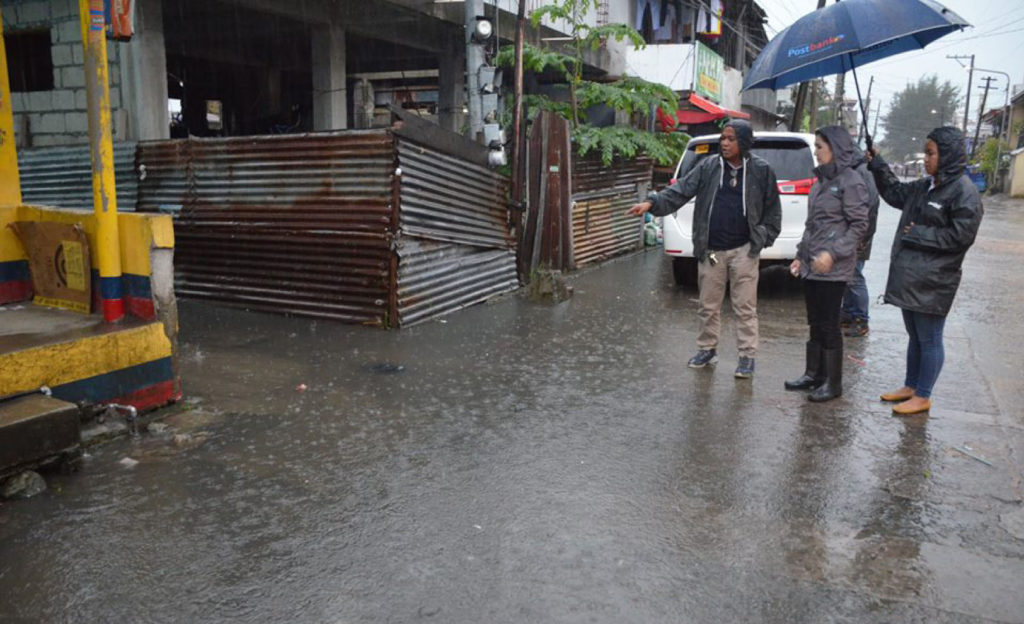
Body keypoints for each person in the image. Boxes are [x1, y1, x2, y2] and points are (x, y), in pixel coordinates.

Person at [627, 120, 781, 379]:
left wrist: (763, 237)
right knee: (708, 305)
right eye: (723, 138)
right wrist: (651, 203)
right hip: (711, 250)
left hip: (744, 250)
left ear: (743, 142)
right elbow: (680, 191)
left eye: (731, 139)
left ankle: (746, 357)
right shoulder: (708, 167)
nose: (724, 143)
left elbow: (773, 211)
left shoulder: (762, 171)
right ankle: (707, 349)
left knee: (744, 307)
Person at [866, 127, 983, 415]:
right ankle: (911, 386)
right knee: (915, 336)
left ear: (949, 155)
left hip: (935, 281)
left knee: (930, 338)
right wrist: (878, 164)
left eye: (931, 153)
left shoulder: (964, 193)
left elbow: (960, 237)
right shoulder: (926, 186)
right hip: (912, 276)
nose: (927, 159)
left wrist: (918, 233)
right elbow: (895, 193)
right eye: (926, 152)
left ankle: (924, 394)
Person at [784, 126, 870, 402]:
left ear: (835, 148)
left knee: (829, 324)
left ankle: (833, 383)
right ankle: (814, 374)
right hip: (812, 265)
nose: (816, 151)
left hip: (833, 268)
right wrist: (800, 255)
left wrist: (833, 254)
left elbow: (859, 225)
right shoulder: (820, 182)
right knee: (815, 322)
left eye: (820, 146)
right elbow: (812, 226)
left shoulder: (851, 181)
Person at [840, 146, 881, 337]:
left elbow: (871, 205)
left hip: (860, 234)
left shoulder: (863, 173)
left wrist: (862, 237)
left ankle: (861, 319)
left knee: (854, 276)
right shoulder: (856, 171)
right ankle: (848, 315)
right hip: (854, 233)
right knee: (849, 276)